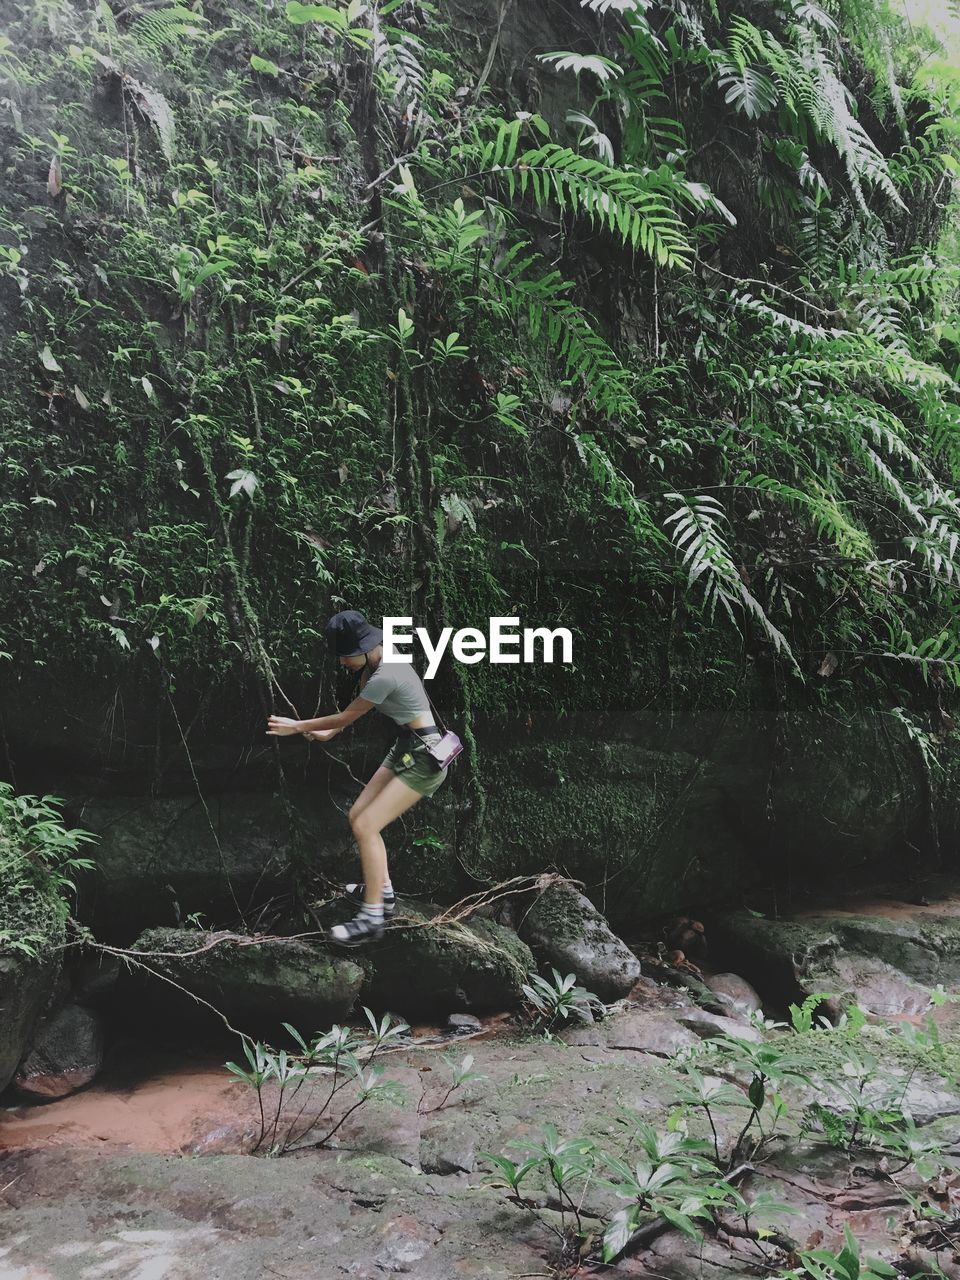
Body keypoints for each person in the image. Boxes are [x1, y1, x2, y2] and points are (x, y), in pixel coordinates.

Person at [266, 609, 448, 946]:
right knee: (357, 816)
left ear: (365, 647)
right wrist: (322, 733)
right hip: (406, 749)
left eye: (345, 655)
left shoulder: (386, 674)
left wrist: (298, 727)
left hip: (426, 758)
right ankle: (384, 890)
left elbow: (346, 718)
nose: (342, 663)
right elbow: (344, 721)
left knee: (368, 825)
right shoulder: (371, 671)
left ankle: (372, 917)